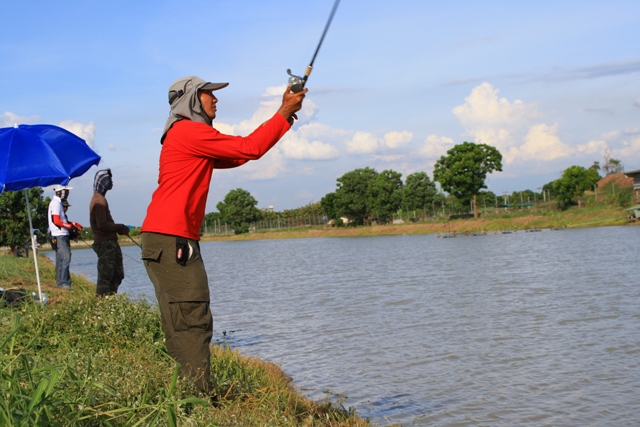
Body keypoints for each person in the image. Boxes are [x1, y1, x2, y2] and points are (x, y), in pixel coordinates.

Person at [140, 76, 306, 394]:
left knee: (179, 322)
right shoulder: (189, 131)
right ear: (190, 99)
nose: (216, 100)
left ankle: (184, 396)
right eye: (208, 94)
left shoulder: (184, 135)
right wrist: (282, 111)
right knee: (193, 319)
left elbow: (240, 155)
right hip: (173, 239)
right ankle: (198, 401)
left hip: (159, 239)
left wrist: (283, 119)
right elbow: (249, 147)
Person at [89, 169, 129, 296]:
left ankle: (110, 300)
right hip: (105, 244)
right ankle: (102, 303)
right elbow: (102, 225)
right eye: (109, 180)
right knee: (105, 276)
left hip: (110, 242)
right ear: (103, 182)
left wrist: (117, 229)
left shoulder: (100, 198)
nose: (111, 183)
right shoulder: (98, 200)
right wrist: (120, 227)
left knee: (117, 273)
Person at [48, 185, 83, 290]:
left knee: (61, 259)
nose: (67, 194)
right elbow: (56, 221)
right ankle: (64, 284)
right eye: (66, 192)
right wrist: (69, 226)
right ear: (59, 192)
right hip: (60, 235)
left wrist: (73, 224)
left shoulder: (57, 203)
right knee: (66, 258)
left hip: (61, 234)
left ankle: (61, 282)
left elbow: (61, 220)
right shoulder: (56, 203)